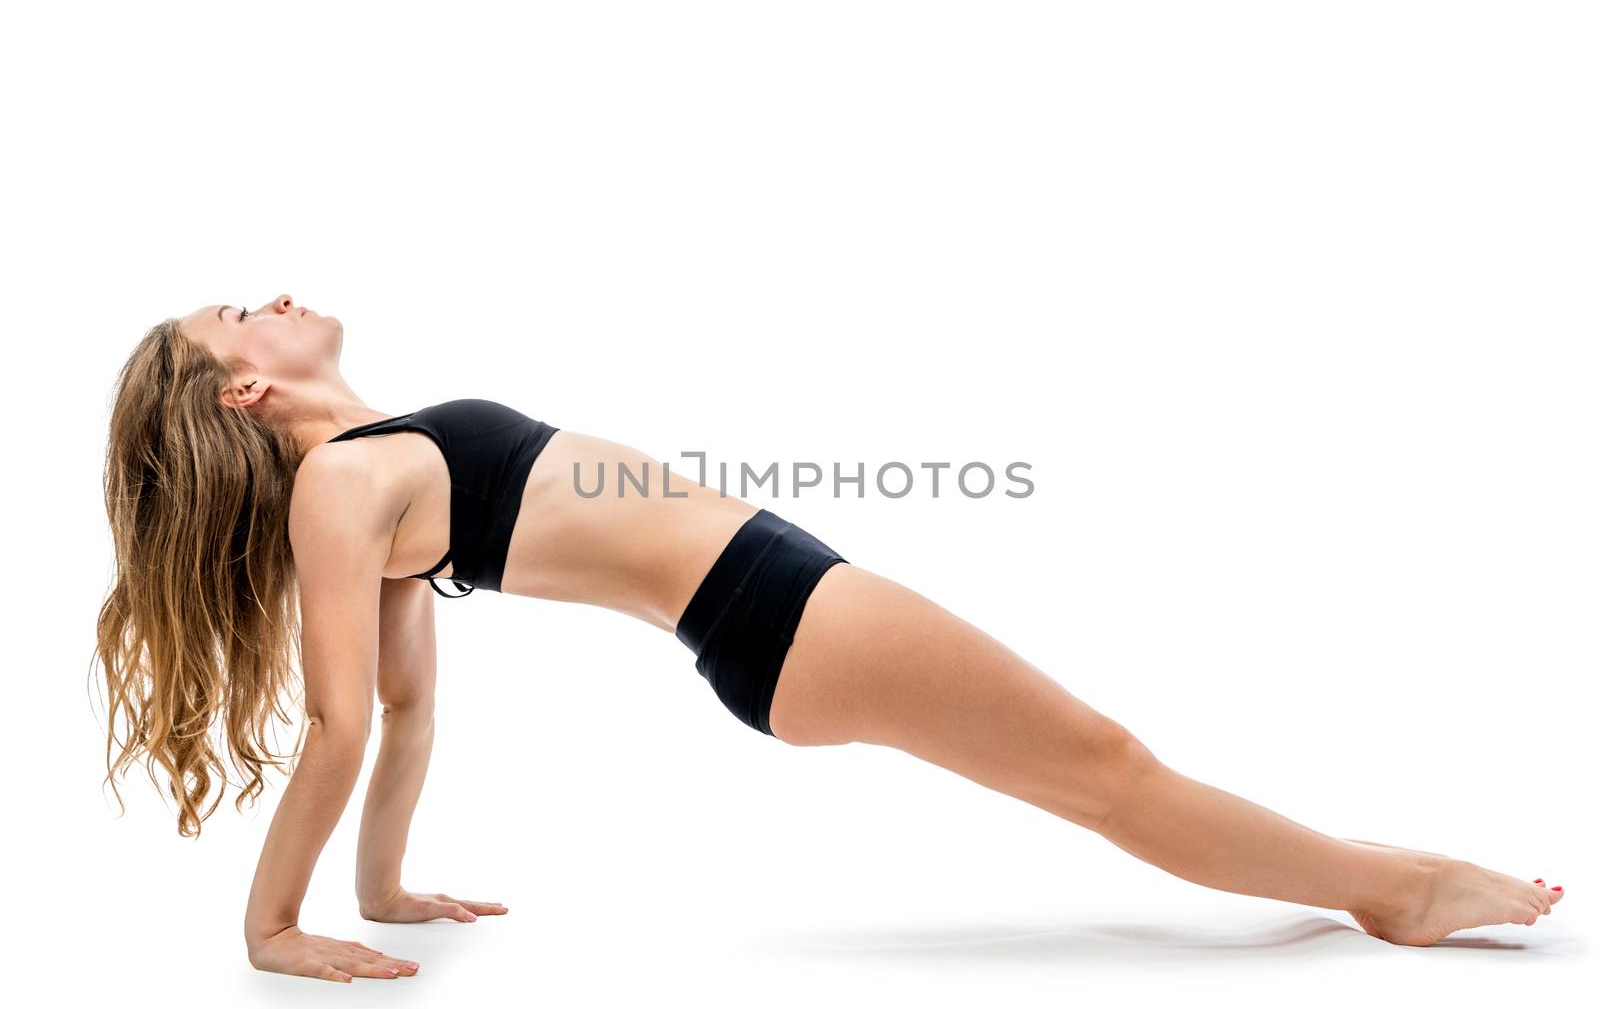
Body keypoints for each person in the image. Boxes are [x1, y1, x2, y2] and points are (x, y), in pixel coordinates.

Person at [93, 293, 1563, 983]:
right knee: (1110, 766)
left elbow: (410, 714)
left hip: (775, 606)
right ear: (237, 393)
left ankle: (1388, 885)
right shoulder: (347, 485)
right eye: (245, 314)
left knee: (1102, 767)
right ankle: (1397, 890)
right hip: (773, 609)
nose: (277, 298)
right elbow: (354, 720)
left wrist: (390, 885)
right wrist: (277, 928)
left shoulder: (376, 466)